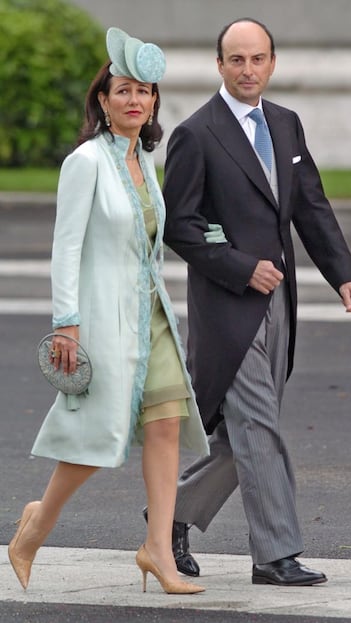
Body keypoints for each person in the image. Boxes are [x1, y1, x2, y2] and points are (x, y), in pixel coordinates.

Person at [161, 18, 351, 586]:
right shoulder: (195, 133)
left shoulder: (286, 124)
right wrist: (238, 265)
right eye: (236, 60)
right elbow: (182, 225)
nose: (247, 70)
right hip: (227, 305)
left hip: (280, 301)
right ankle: (275, 554)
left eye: (257, 59)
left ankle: (170, 515)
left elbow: (311, 206)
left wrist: (342, 274)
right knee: (257, 427)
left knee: (244, 432)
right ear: (219, 65)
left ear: (272, 63)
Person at [8, 27, 208, 596]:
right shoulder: (86, 162)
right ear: (103, 100)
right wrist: (65, 323)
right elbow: (64, 247)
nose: (135, 100)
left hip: (154, 320)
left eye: (144, 91)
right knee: (100, 438)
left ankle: (158, 552)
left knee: (166, 426)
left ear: (152, 104)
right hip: (102, 321)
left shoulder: (146, 161)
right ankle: (36, 523)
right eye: (123, 90)